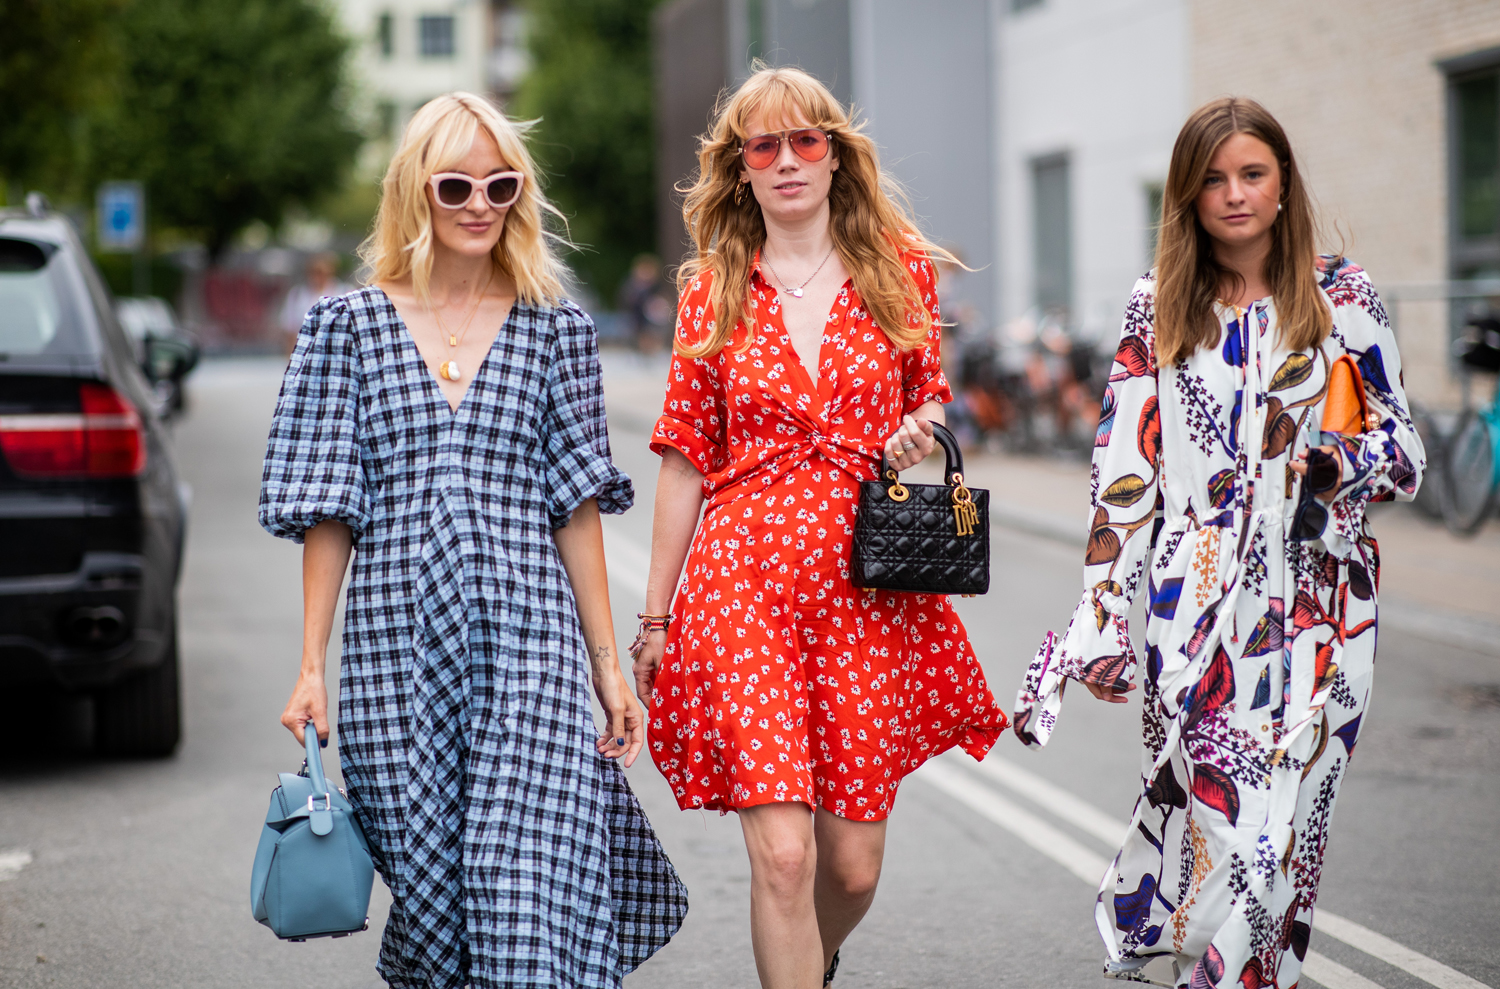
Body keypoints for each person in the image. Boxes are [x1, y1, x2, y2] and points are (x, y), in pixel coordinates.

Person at [259, 92, 686, 988]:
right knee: (436, 909)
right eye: (455, 185)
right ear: (416, 191)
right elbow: (331, 510)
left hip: (529, 643)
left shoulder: (556, 327)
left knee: (526, 886)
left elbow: (577, 508)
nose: (479, 204)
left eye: (501, 185)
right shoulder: (347, 329)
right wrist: (311, 663)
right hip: (392, 654)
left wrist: (608, 665)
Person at [1012, 97, 1424, 988]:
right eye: (1213, 179)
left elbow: (1408, 452)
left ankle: (1238, 973)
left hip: (1325, 597)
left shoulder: (1343, 296)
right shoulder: (1155, 305)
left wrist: (1337, 462)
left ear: (1283, 187)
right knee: (1224, 817)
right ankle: (1210, 951)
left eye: (1252, 174)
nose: (1233, 194)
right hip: (1192, 598)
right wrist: (1101, 615)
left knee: (1293, 817)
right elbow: (1122, 476)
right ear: (1187, 196)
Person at [632, 66, 1009, 989]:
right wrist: (654, 617)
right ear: (742, 168)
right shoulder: (711, 290)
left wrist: (915, 438)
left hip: (864, 587)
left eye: (808, 140)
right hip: (742, 584)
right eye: (766, 145)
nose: (789, 159)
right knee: (786, 859)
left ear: (835, 156)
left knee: (849, 867)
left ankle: (815, 956)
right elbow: (684, 457)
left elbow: (928, 404)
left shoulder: (898, 269)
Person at [278, 252, 348, 356]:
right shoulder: (298, 294)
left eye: (323, 272)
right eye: (315, 272)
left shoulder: (343, 293)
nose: (318, 276)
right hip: (306, 354)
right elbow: (290, 330)